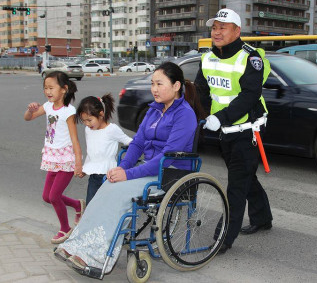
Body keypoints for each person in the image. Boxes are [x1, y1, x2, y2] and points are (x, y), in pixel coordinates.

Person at [54, 62, 204, 274]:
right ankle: (76, 246)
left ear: (176, 85)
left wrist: (129, 174)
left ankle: (96, 256)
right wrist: (122, 168)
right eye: (152, 83)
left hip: (170, 174)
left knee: (117, 193)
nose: (154, 89)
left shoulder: (185, 115)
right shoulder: (153, 111)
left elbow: (166, 157)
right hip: (150, 169)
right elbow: (137, 144)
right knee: (107, 186)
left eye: (160, 84)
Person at [194, 8, 273, 254]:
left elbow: (250, 96)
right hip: (223, 130)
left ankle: (223, 239)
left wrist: (220, 117)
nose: (216, 32)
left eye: (222, 27)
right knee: (246, 176)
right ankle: (262, 218)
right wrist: (204, 117)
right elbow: (201, 91)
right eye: (214, 27)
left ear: (237, 31)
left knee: (236, 185)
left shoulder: (251, 58)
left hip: (247, 130)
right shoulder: (207, 57)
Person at [24, 71, 86, 244]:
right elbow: (28, 118)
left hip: (66, 159)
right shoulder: (48, 106)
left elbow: (75, 139)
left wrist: (78, 163)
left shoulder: (69, 111)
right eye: (45, 88)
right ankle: (77, 205)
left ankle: (65, 229)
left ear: (64, 89)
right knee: (47, 197)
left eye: (51, 88)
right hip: (52, 157)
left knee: (54, 196)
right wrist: (30, 110)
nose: (48, 91)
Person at [76, 94, 132, 205]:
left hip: (109, 176)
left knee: (107, 206)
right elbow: (91, 152)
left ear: (101, 114)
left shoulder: (112, 129)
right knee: (91, 206)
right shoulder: (88, 130)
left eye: (89, 120)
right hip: (94, 177)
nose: (87, 124)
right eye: (84, 121)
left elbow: (130, 142)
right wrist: (85, 168)